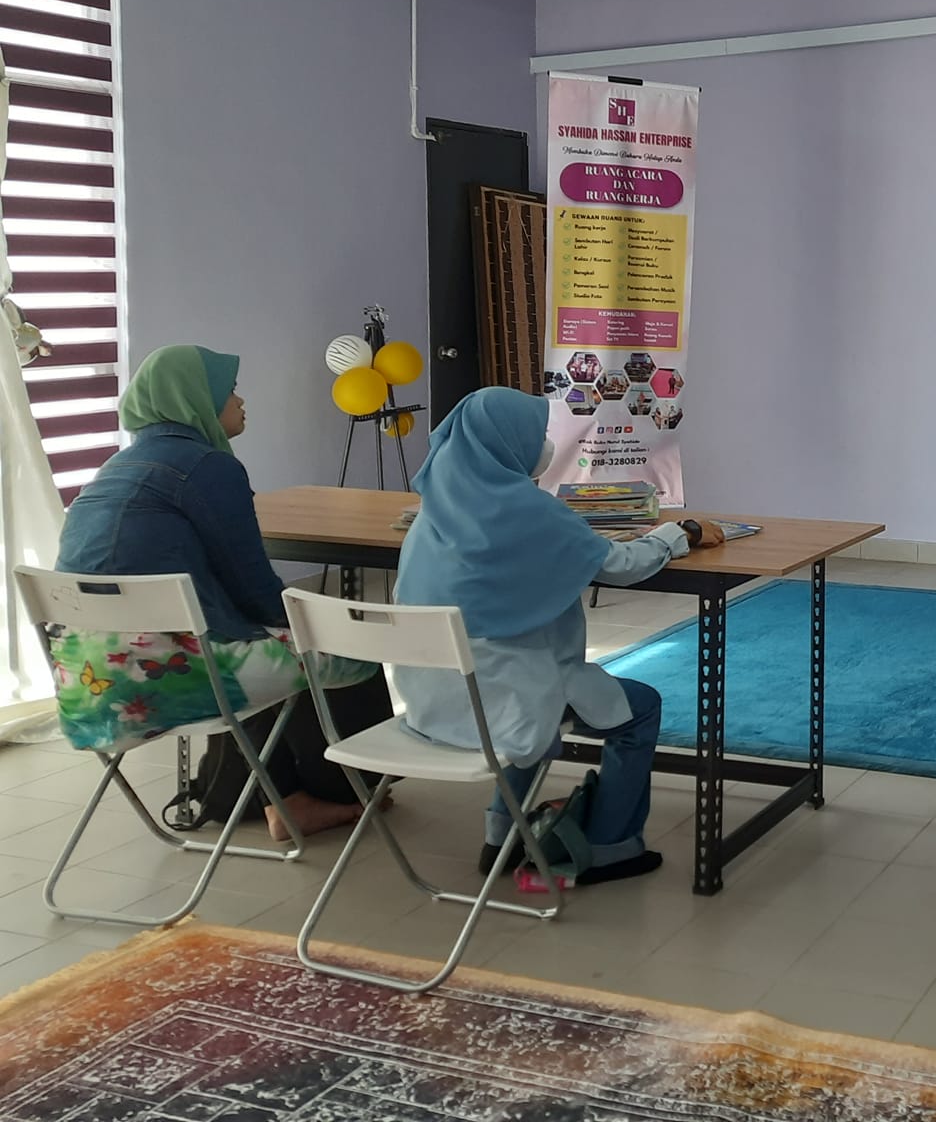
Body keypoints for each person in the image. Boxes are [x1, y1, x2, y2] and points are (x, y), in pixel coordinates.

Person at [53, 345, 391, 839]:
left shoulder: (116, 468)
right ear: (194, 399)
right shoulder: (207, 467)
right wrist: (326, 626)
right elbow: (255, 590)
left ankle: (265, 795)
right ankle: (341, 792)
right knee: (345, 648)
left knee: (263, 643)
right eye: (229, 390)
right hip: (172, 677)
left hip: (86, 684)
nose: (240, 400)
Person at [391, 387, 724, 885]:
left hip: (430, 700)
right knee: (639, 708)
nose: (545, 444)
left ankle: (502, 833)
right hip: (504, 698)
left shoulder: (431, 513)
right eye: (537, 434)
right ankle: (611, 846)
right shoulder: (528, 512)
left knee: (530, 692)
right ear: (508, 444)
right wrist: (681, 532)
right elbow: (623, 565)